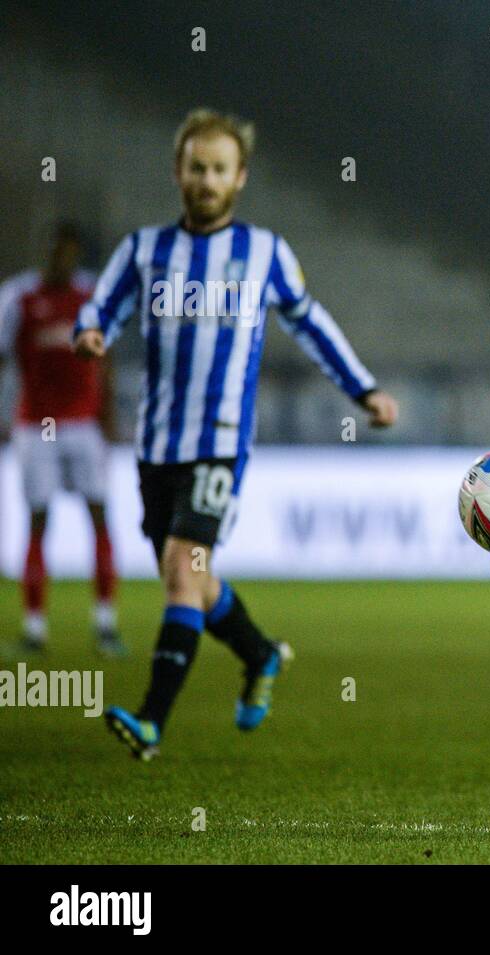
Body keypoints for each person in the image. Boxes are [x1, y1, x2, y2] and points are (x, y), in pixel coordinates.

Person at [73, 109, 399, 760]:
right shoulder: (143, 250)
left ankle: (151, 722)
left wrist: (363, 390)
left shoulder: (264, 253)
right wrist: (92, 333)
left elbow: (312, 324)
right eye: (196, 167)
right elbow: (100, 306)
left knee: (179, 568)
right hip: (157, 444)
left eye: (219, 168)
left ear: (240, 177)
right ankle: (260, 654)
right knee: (195, 577)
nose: (206, 179)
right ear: (177, 172)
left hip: (221, 440)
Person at [0, 223, 125, 657]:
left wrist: (107, 418)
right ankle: (35, 630)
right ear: (47, 252)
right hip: (35, 426)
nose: (61, 259)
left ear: (76, 255)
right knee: (38, 520)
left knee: (100, 516)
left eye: (69, 252)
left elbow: (104, 360)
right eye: (56, 251)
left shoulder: (91, 297)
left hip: (82, 424)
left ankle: (106, 626)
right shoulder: (18, 299)